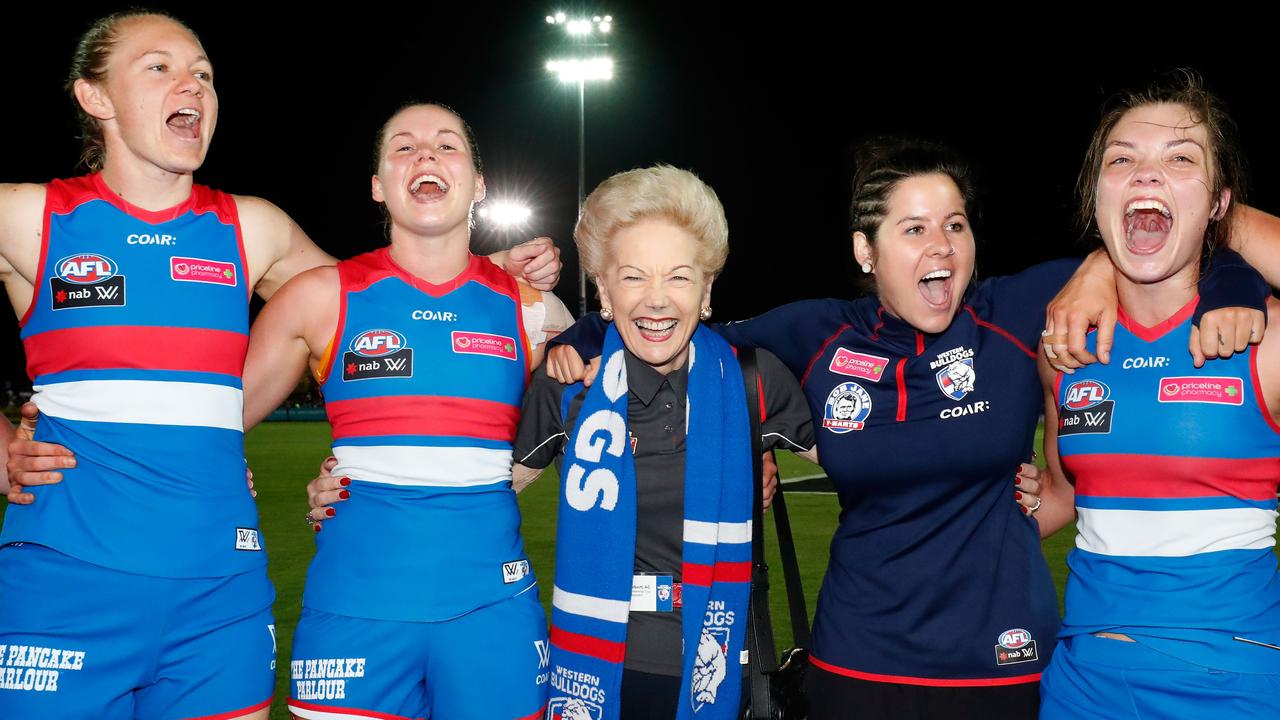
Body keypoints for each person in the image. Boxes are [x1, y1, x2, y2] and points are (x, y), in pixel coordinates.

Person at [542, 139, 1275, 719]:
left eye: (955, 225)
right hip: (857, 660)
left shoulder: (1015, 315)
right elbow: (677, 325)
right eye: (914, 228)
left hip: (1003, 659)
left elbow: (1157, 250)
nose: (941, 245)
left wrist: (1202, 277)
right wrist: (586, 321)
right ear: (867, 251)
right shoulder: (820, 333)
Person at [0, 12, 557, 720]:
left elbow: (389, 306)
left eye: (203, 72)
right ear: (95, 97)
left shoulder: (253, 226)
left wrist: (486, 276)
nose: (192, 86)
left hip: (221, 598)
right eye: (161, 68)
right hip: (64, 585)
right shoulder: (28, 215)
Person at [240, 102, 571, 720]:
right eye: (404, 147)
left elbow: (580, 433)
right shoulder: (319, 297)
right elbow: (208, 423)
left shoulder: (537, 313)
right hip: (353, 609)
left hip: (493, 607)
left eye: (448, 146)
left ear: (479, 185)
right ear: (377, 186)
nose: (425, 154)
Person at [513, 165, 815, 719]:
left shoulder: (756, 381)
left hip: (725, 665)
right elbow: (472, 500)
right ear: (603, 289)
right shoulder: (567, 392)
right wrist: (350, 490)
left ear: (706, 291)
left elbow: (875, 471)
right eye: (633, 278)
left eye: (678, 277)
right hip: (600, 670)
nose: (656, 300)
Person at [1037, 74, 1280, 719]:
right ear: (1097, 198)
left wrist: (1224, 227)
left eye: (1180, 159)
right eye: (1122, 160)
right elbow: (1063, 495)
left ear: (1220, 201)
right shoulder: (1066, 342)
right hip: (1082, 682)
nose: (1147, 175)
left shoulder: (1268, 338)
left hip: (1234, 681)